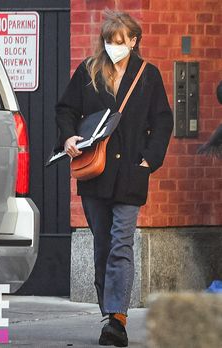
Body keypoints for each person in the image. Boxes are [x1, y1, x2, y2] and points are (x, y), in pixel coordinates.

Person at [55, 9, 173, 347]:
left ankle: (117, 319)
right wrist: (68, 137)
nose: (114, 47)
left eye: (120, 41)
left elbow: (163, 120)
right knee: (103, 244)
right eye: (109, 41)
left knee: (122, 242)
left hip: (131, 173)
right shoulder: (88, 71)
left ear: (133, 41)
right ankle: (109, 313)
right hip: (94, 171)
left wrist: (148, 160)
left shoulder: (148, 75)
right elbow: (65, 109)